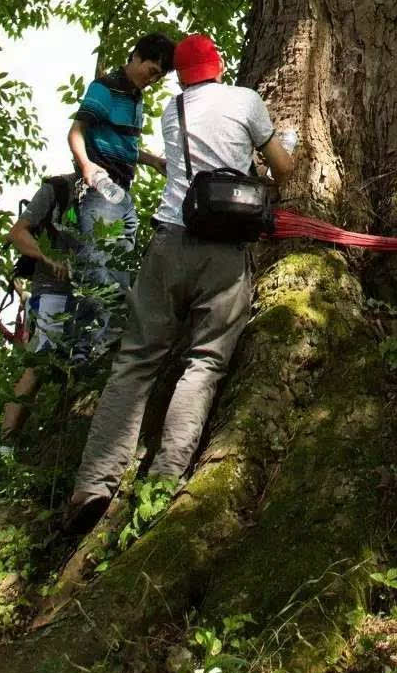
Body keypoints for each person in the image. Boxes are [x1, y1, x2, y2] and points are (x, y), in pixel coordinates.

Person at [65, 33, 296, 534]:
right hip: (224, 252)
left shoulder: (172, 111)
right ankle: (166, 478)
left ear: (182, 75)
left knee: (136, 360)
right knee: (205, 361)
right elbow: (283, 167)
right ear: (218, 67)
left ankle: (93, 482)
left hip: (169, 242)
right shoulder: (245, 100)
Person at [67, 32, 176, 352]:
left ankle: (105, 344)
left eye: (159, 76)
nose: (153, 79)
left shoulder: (135, 97)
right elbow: (76, 132)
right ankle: (87, 349)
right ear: (137, 57)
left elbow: (123, 144)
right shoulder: (106, 87)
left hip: (122, 193)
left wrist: (152, 160)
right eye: (152, 70)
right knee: (98, 267)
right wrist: (86, 167)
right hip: (102, 189)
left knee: (118, 271)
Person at [0, 175, 82, 445]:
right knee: (39, 363)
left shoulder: (111, 192)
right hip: (51, 289)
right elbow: (18, 232)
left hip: (89, 291)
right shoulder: (56, 189)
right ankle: (5, 446)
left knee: (80, 362)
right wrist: (48, 258)